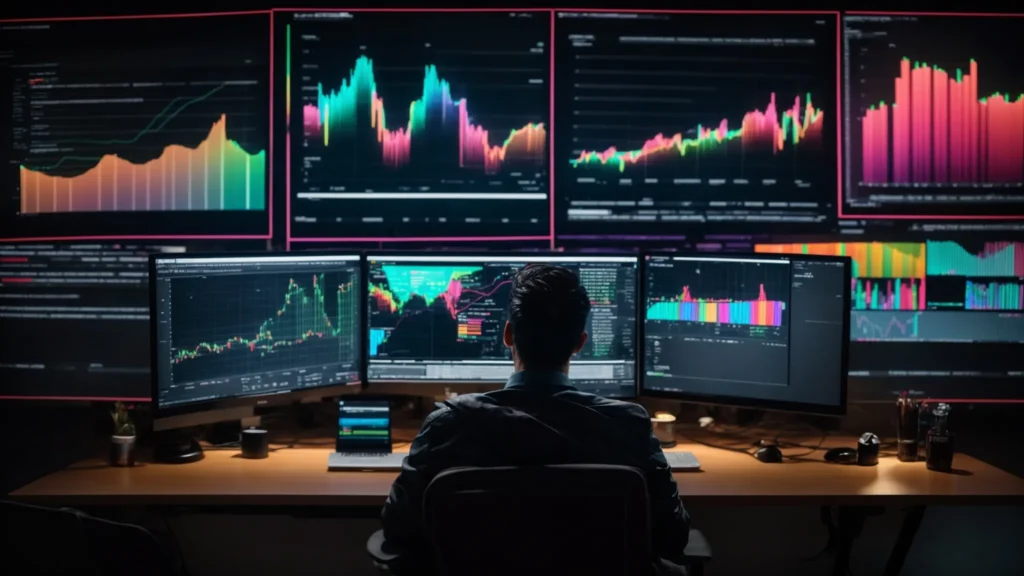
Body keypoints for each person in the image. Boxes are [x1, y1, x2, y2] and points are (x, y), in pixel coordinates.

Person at [382, 264, 690, 572]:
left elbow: (398, 529)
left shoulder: (448, 425)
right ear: (580, 343)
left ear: (508, 335)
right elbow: (673, 535)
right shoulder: (628, 425)